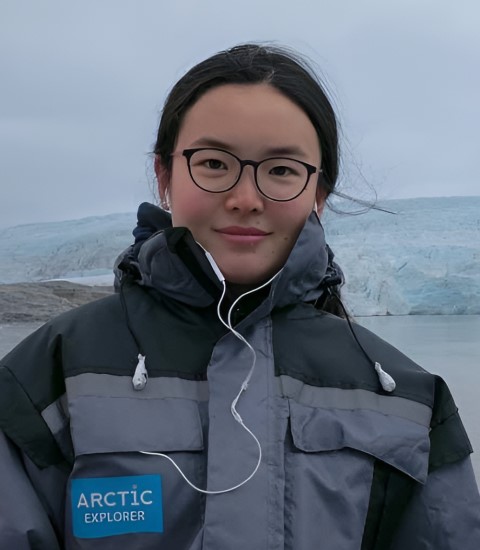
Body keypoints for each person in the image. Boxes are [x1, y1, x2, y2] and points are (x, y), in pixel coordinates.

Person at [0, 43, 479, 550]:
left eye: (282, 170)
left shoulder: (403, 396)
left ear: (319, 193)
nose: (246, 199)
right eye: (213, 163)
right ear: (164, 175)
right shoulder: (52, 374)